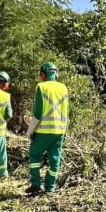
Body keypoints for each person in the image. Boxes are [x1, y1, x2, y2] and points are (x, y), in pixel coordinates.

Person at [26, 61, 69, 194]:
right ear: (56, 74)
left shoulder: (41, 87)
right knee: (55, 159)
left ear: (43, 75)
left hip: (43, 132)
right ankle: (50, 187)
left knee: (34, 156)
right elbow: (66, 111)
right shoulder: (63, 88)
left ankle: (36, 184)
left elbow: (38, 113)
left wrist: (30, 130)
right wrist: (65, 131)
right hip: (59, 131)